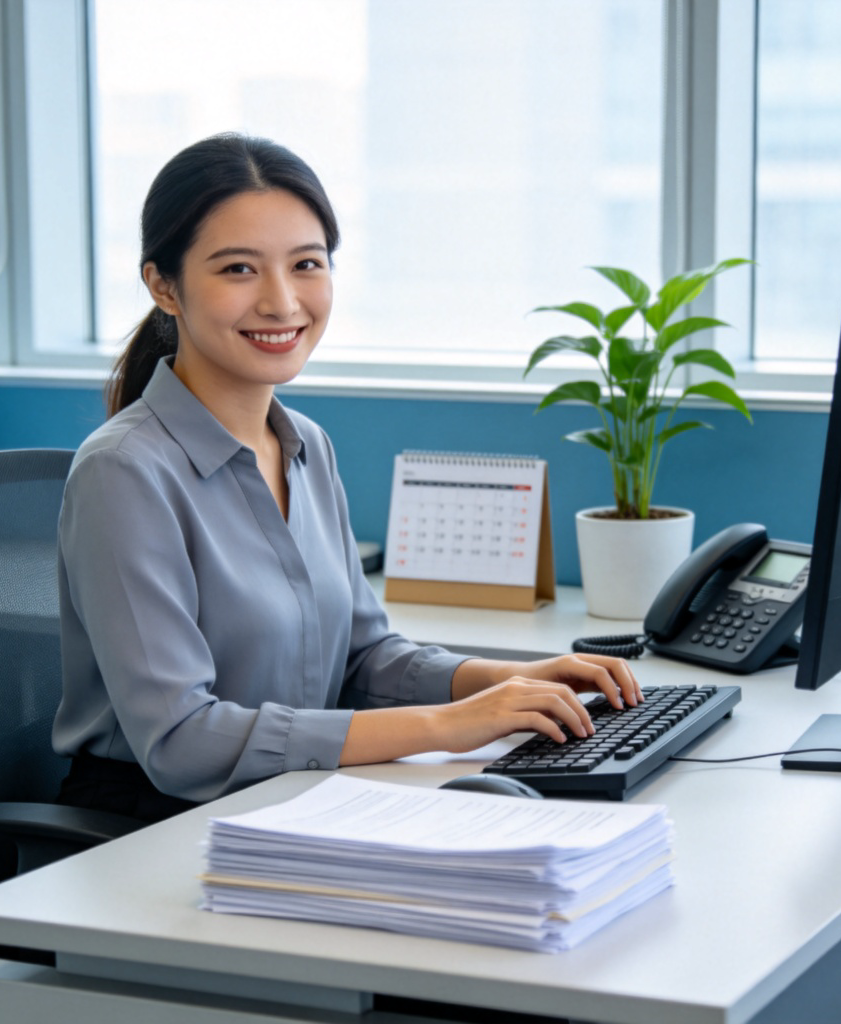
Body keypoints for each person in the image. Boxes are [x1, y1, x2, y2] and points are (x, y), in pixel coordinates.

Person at [52, 132, 641, 822]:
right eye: (239, 269)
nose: (282, 302)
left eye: (307, 264)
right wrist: (452, 725)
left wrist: (508, 682)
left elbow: (363, 660)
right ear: (164, 286)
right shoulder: (123, 473)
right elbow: (183, 742)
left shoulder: (306, 446)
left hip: (298, 799)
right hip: (154, 826)